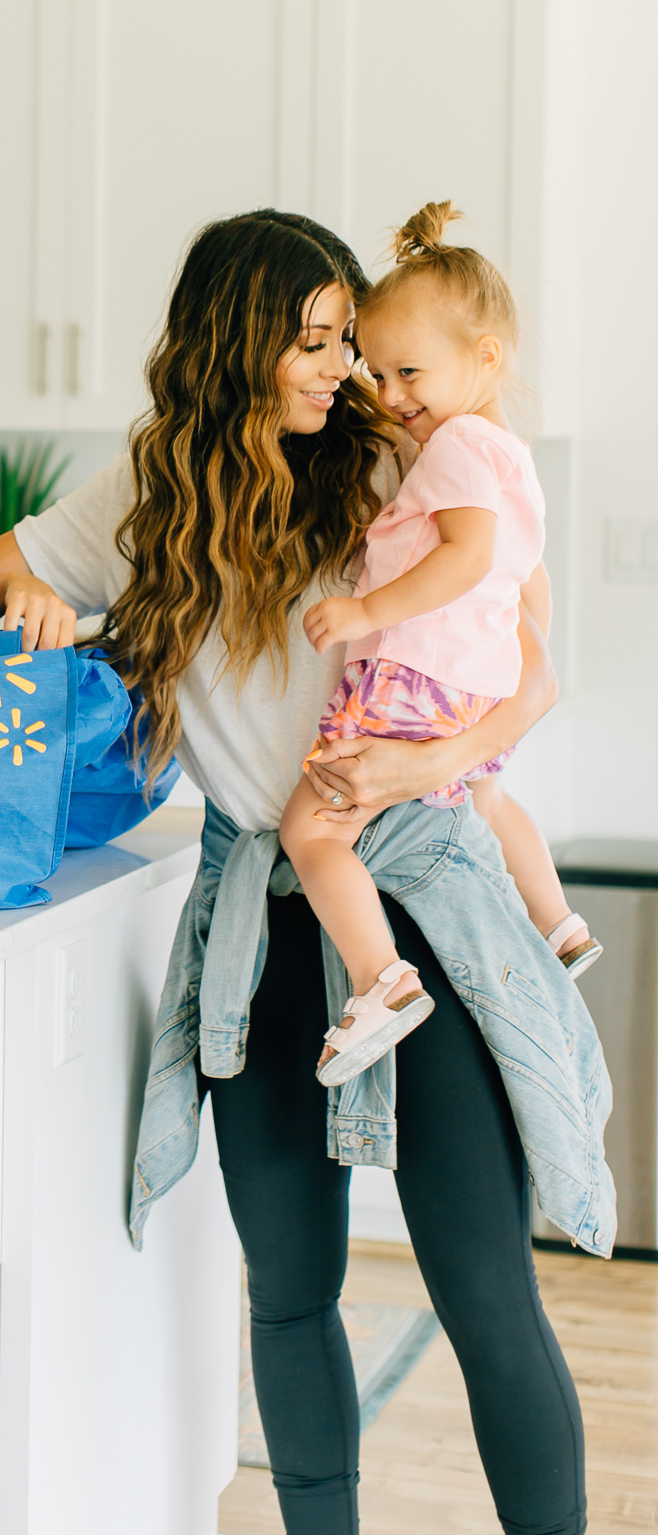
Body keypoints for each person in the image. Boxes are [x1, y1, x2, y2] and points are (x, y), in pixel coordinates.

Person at [0, 209, 597, 1535]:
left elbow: (533, 667)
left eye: (353, 338)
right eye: (317, 337)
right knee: (288, 1298)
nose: (345, 368)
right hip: (259, 929)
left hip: (419, 901)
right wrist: (26, 597)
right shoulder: (145, 499)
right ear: (237, 343)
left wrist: (430, 759)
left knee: (484, 1291)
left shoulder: (395, 462)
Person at [279, 202, 600, 1089]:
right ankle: (558, 926)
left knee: (311, 829)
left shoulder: (455, 445)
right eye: (376, 374)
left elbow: (467, 556)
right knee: (488, 799)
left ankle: (380, 982)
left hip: (409, 677)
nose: (389, 397)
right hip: (469, 684)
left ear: (485, 357)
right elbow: (523, 584)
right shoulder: (505, 452)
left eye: (408, 370)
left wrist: (360, 610)